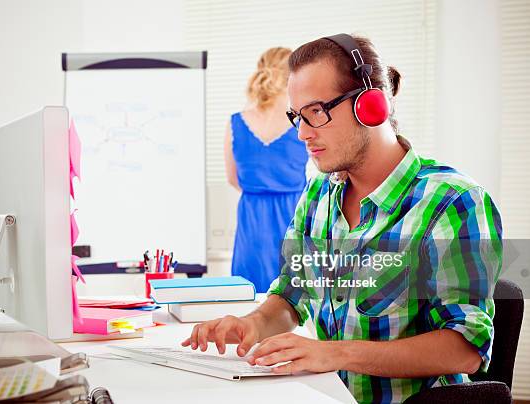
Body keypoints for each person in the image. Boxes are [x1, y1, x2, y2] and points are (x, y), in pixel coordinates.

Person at [184, 34, 501, 403]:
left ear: (371, 106)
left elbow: (464, 348)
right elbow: (291, 294)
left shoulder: (451, 201)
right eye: (297, 116)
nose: (301, 133)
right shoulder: (319, 195)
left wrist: (335, 352)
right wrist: (253, 324)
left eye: (316, 112)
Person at [224, 47, 308, 293]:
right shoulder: (303, 122)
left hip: (252, 217)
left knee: (250, 299)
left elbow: (233, 178)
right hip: (294, 214)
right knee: (293, 298)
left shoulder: (236, 121)